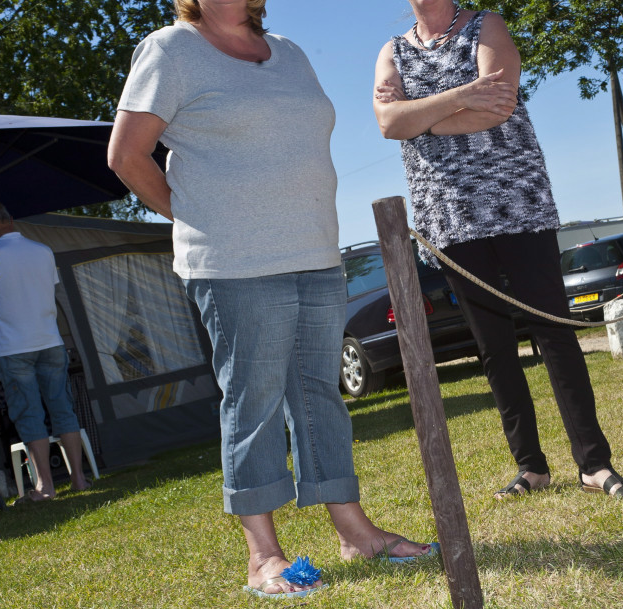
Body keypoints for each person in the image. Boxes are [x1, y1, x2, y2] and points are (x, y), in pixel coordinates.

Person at [107, 0, 436, 600]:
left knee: (320, 396)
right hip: (233, 265)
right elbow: (126, 156)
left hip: (314, 253)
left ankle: (354, 532)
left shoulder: (288, 51)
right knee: (252, 401)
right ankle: (264, 556)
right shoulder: (170, 50)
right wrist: (196, 217)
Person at [373, 1, 623, 501]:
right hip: (449, 218)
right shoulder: (392, 52)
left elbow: (497, 105)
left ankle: (594, 464)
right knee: (494, 347)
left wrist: (423, 117)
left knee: (554, 333)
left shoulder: (486, 25)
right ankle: (531, 467)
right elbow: (388, 124)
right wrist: (461, 96)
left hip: (518, 203)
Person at [0, 200, 91, 504]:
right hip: (49, 341)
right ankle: (79, 479)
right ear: (10, 219)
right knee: (63, 408)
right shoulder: (42, 250)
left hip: (13, 347)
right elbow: (46, 292)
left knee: (28, 413)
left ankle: (45, 487)